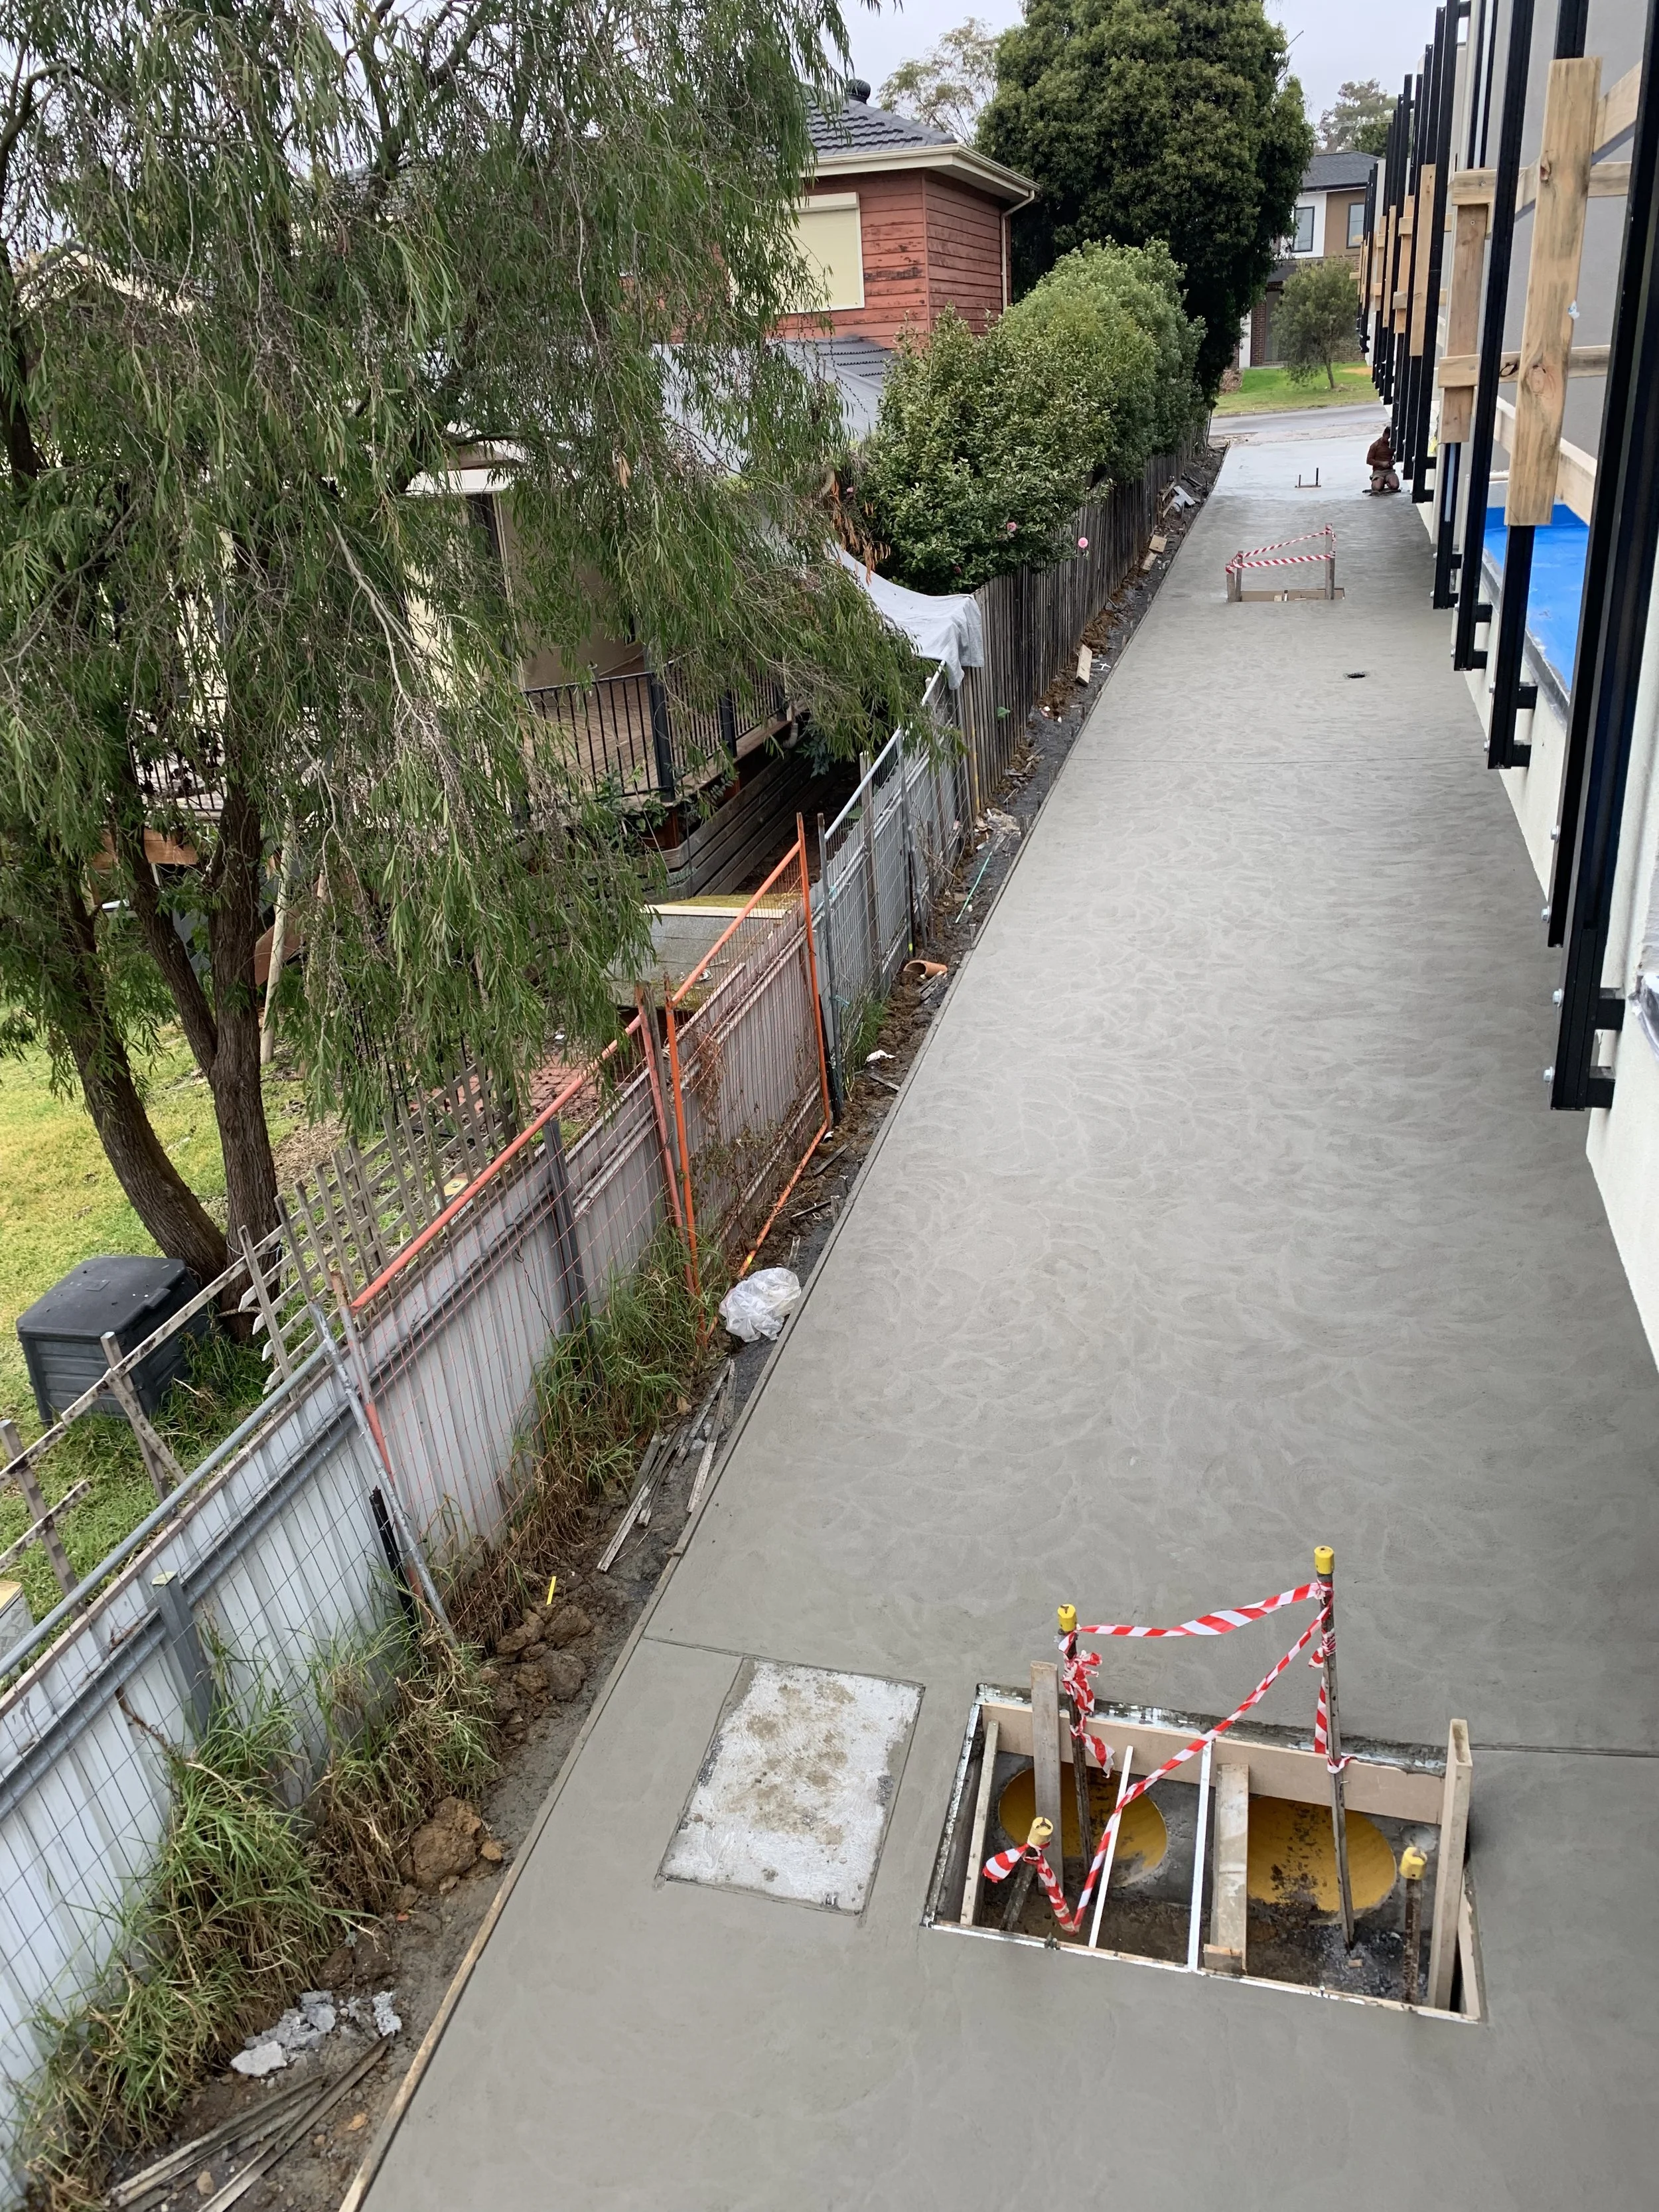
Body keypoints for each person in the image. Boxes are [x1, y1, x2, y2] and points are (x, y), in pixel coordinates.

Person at [1366, 429, 1401, 494]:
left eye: (1391, 438)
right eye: (1388, 438)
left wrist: (1393, 461)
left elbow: (1398, 456)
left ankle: (1388, 482)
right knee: (1377, 488)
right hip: (1378, 472)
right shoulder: (1375, 445)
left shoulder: (1393, 445)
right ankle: (1376, 481)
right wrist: (1381, 464)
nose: (1389, 440)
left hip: (1389, 471)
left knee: (1395, 486)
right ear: (1384, 435)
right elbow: (1369, 460)